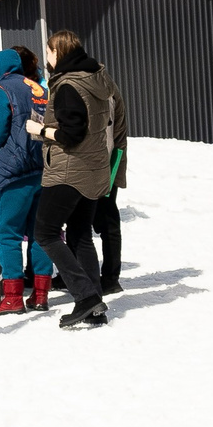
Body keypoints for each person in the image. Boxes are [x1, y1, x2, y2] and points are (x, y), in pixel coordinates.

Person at [31, 31, 118, 330]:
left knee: (45, 232)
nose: (47, 58)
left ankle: (85, 297)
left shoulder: (68, 85)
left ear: (59, 52)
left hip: (69, 170)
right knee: (80, 235)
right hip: (94, 167)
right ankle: (95, 305)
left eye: (49, 52)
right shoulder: (95, 78)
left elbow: (70, 134)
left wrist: (40, 130)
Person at [0, 49, 53, 314]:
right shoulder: (37, 88)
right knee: (39, 233)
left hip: (13, 169)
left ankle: (13, 298)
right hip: (41, 168)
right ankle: (41, 295)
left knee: (5, 233)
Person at [88, 59, 131, 294]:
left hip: (103, 165)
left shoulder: (101, 89)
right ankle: (108, 277)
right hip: (108, 163)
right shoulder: (106, 85)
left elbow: (106, 134)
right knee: (106, 221)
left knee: (101, 222)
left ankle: (108, 278)